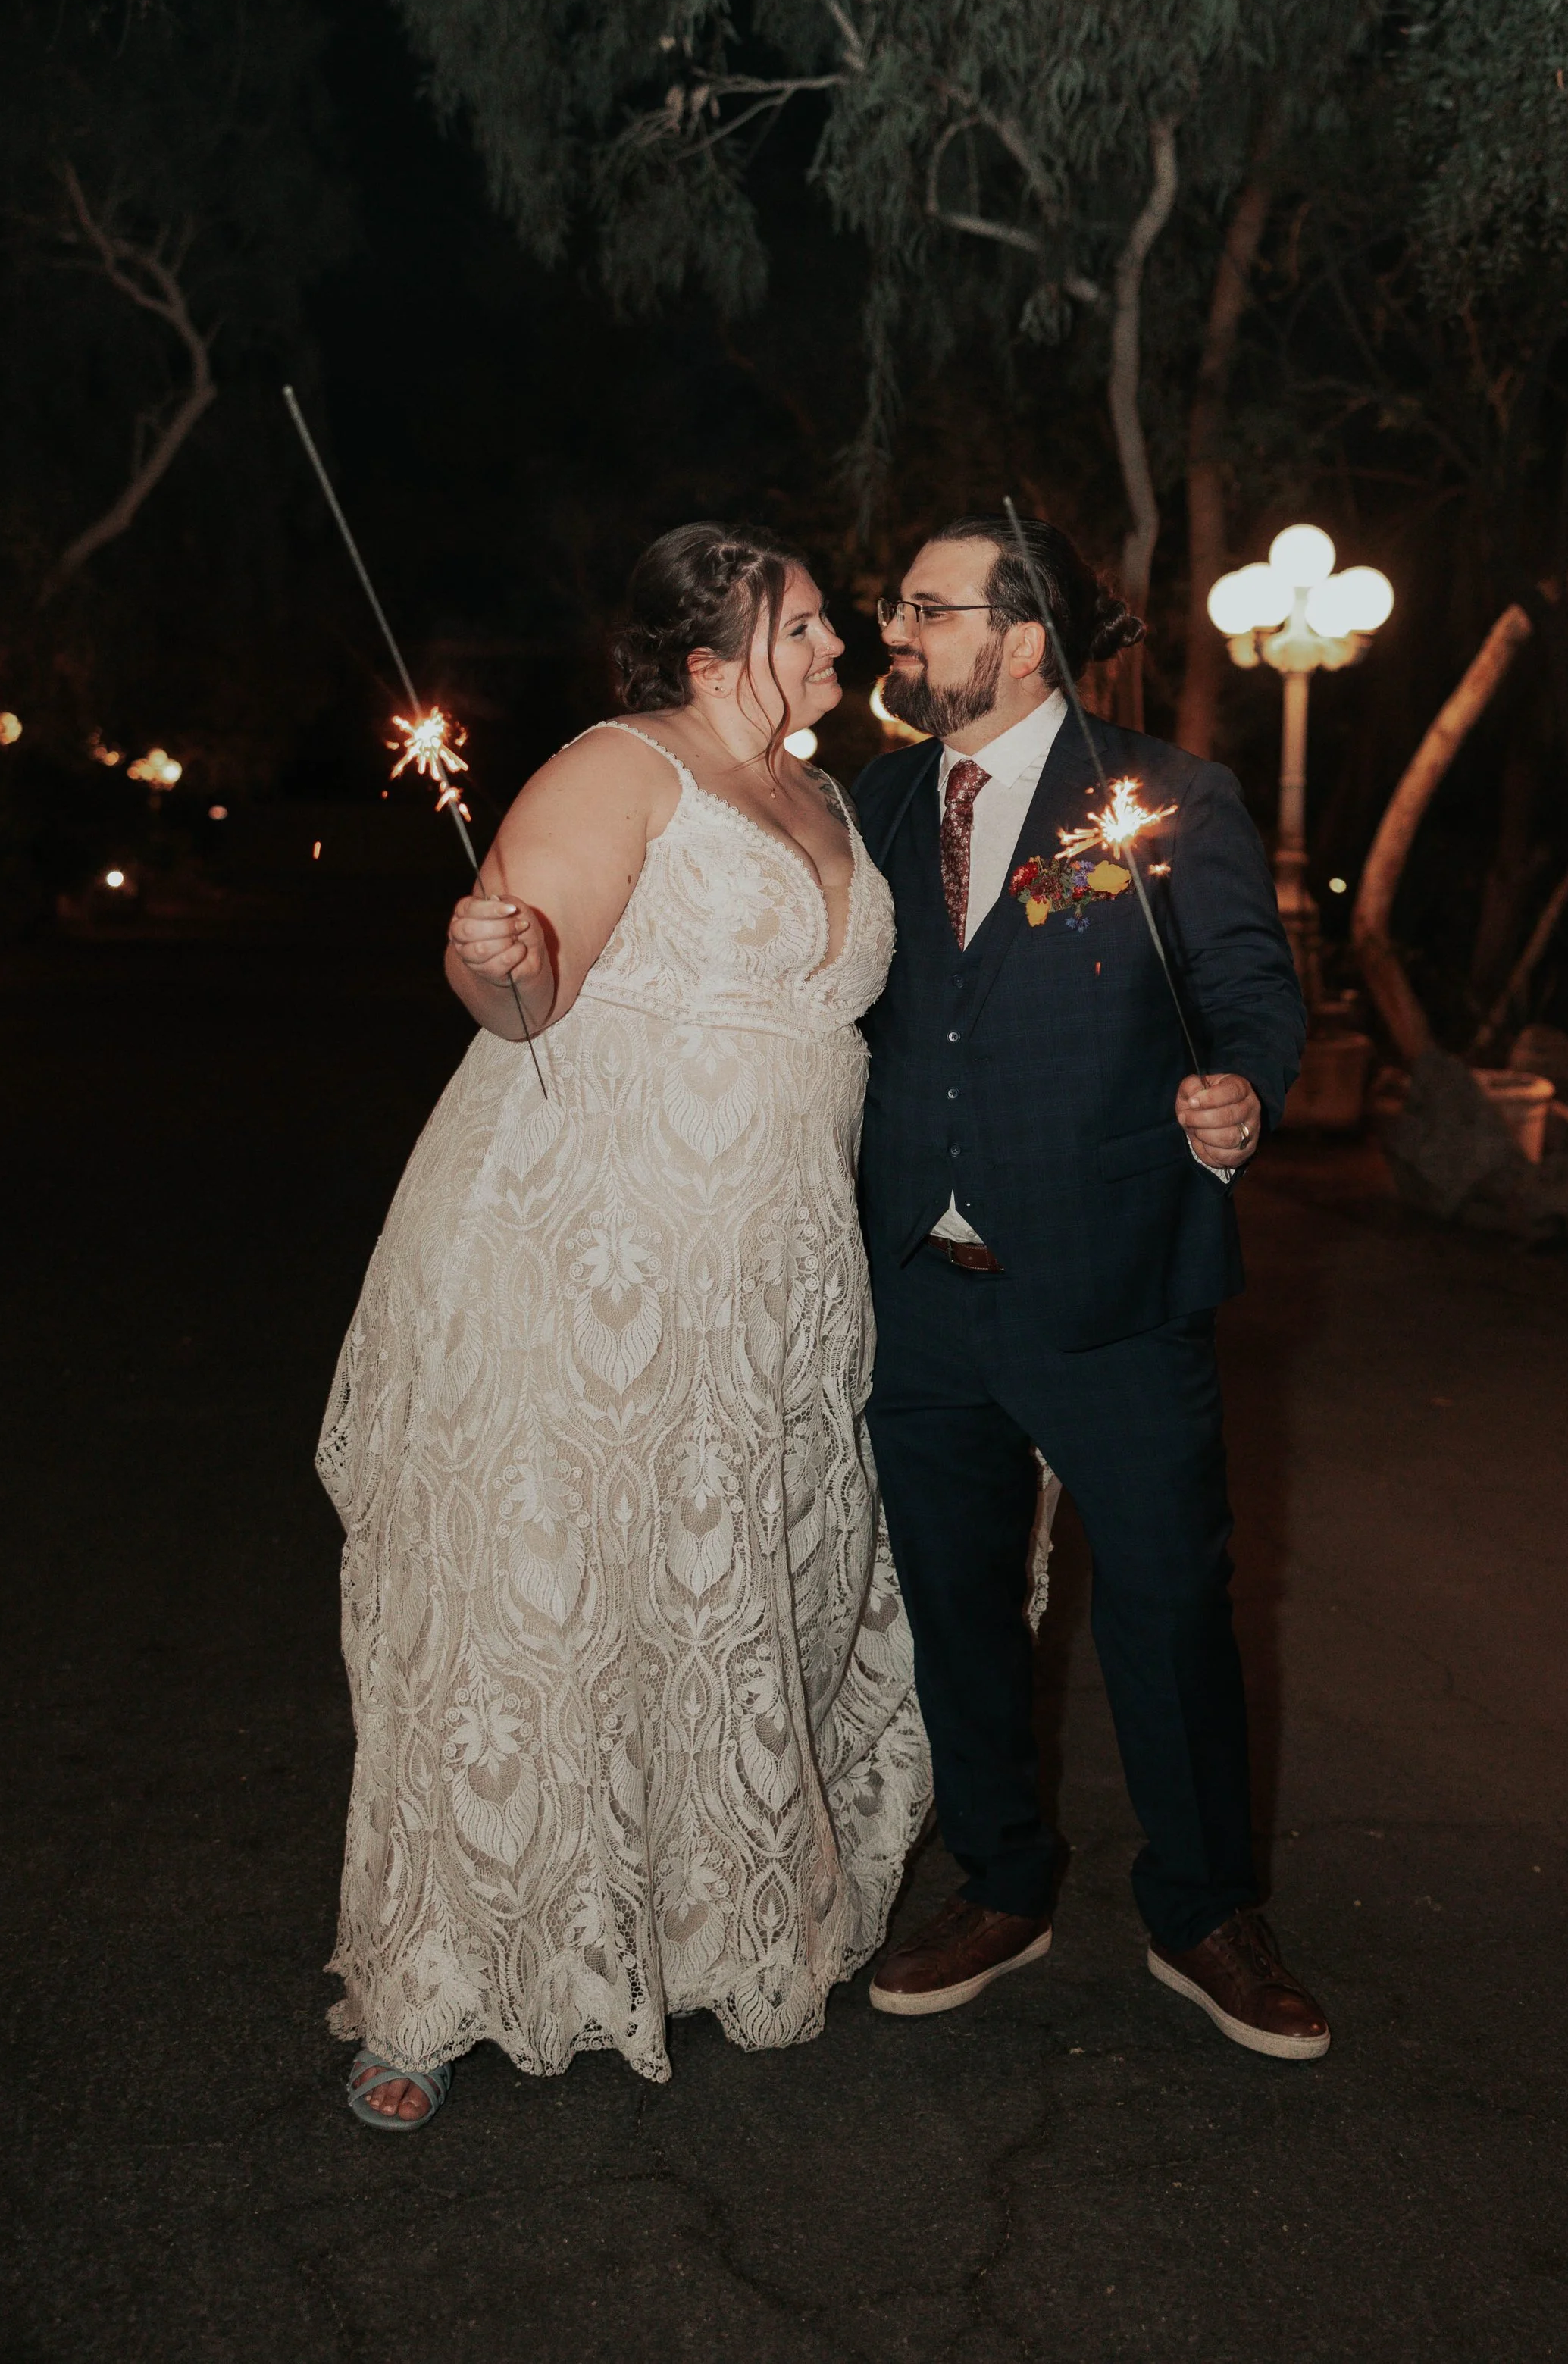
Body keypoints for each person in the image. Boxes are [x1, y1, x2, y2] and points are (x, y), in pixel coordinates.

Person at [319, 523, 929, 2127]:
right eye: (803, 625)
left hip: (774, 1277)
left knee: (722, 1583)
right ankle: (437, 1986)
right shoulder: (615, 766)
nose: (834, 647)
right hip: (589, 1258)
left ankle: (693, 1930)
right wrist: (490, 959)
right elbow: (524, 1000)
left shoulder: (823, 793)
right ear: (712, 649)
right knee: (546, 1600)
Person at [852, 514, 1329, 2058]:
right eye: (894, 607)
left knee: (1172, 1605)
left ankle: (1200, 1912)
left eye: (926, 609)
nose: (896, 634)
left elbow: (1250, 991)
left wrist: (1239, 1094)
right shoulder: (865, 803)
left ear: (1025, 635)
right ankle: (1001, 1878)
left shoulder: (1164, 799)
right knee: (955, 1602)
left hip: (1113, 1270)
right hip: (918, 1285)